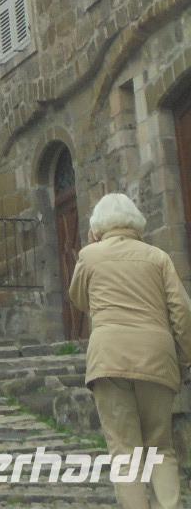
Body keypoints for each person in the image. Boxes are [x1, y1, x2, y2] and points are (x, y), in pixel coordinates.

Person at [68, 192, 191, 509]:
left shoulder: (89, 256)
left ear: (98, 227)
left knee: (125, 451)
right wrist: (183, 359)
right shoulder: (158, 257)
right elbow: (181, 311)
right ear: (136, 224)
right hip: (157, 357)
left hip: (109, 359)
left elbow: (79, 300)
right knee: (160, 448)